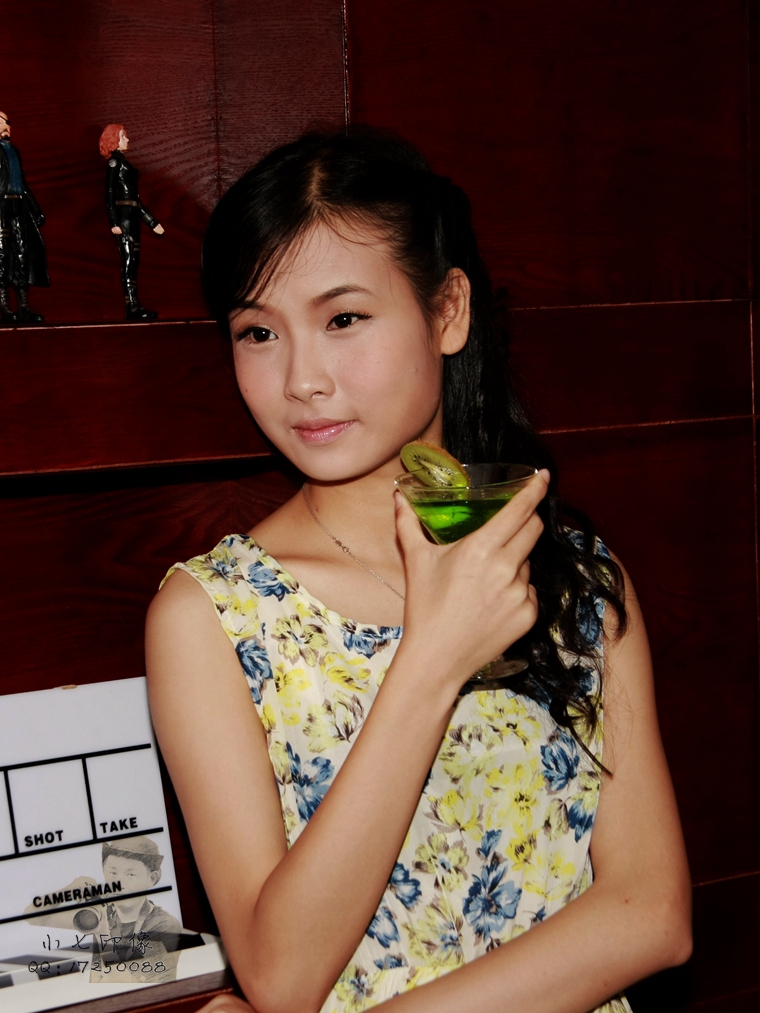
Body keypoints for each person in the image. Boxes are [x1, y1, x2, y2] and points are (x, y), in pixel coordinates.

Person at [146, 129, 692, 1013]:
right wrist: (432, 658)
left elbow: (653, 914)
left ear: (448, 312)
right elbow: (281, 975)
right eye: (258, 331)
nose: (302, 379)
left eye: (343, 318)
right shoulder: (212, 615)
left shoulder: (571, 573)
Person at [99, 123, 164, 321]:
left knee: (133, 261)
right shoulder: (114, 163)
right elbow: (109, 193)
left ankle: (134, 305)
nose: (127, 139)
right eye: (123, 136)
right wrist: (114, 221)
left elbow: (135, 199)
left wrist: (151, 221)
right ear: (114, 140)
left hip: (132, 217)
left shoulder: (123, 163)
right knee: (128, 261)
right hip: (124, 218)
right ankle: (131, 306)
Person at [0, 109, 48, 324]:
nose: (7, 126)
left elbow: (22, 183)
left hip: (17, 204)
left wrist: (35, 208)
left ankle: (23, 306)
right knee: (1, 255)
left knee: (21, 253)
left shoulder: (13, 150)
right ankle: (3, 305)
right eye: (2, 122)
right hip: (1, 206)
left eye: (8, 122)